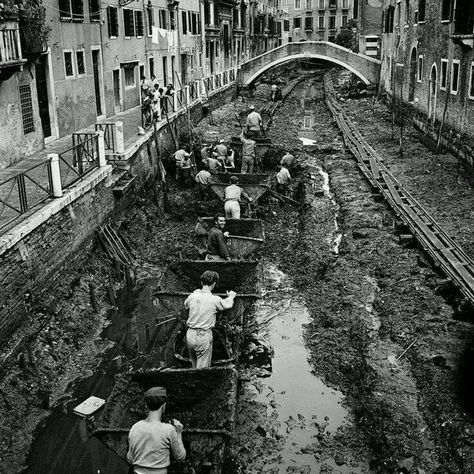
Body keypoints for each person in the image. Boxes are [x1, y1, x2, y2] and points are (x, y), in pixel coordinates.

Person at [127, 386, 186, 474]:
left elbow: (130, 459)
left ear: (146, 405)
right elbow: (180, 457)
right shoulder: (168, 430)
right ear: (163, 406)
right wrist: (178, 432)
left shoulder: (135, 427)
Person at [184, 271, 236, 368]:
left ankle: (194, 381)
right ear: (214, 284)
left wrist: (196, 293)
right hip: (203, 336)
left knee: (194, 365)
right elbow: (227, 304)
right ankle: (200, 383)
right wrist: (231, 296)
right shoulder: (214, 299)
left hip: (190, 334)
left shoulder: (192, 296)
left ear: (201, 283)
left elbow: (186, 305)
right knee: (202, 370)